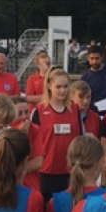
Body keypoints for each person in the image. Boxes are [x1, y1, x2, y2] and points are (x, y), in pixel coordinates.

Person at [31, 68, 83, 201]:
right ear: (49, 86)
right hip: (46, 172)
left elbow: (81, 140)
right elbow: (32, 142)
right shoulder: (39, 111)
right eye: (58, 87)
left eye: (66, 86)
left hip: (70, 171)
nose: (63, 90)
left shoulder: (75, 110)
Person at [10, 97, 45, 192]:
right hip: (10, 185)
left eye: (26, 112)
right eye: (19, 113)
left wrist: (10, 172)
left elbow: (38, 162)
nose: (24, 117)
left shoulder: (34, 129)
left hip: (31, 184)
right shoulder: (6, 129)